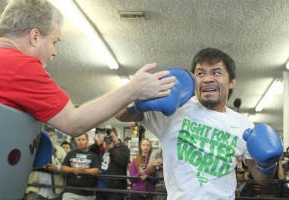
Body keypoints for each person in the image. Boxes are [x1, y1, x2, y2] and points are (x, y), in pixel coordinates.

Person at [0, 0, 175, 138]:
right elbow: (74, 123)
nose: (55, 52)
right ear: (35, 36)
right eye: (54, 42)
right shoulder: (22, 65)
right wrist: (133, 89)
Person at [116, 48, 281, 199]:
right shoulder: (176, 109)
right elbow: (119, 115)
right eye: (200, 74)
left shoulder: (244, 125)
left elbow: (261, 178)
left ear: (232, 82)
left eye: (216, 72)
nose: (208, 79)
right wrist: (139, 103)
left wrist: (267, 164)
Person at [24, 127, 66, 200]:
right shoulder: (35, 149)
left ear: (55, 137)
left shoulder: (61, 151)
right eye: (48, 135)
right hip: (36, 189)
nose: (50, 137)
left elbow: (66, 166)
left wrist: (57, 168)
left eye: (52, 135)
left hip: (55, 192)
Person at [91, 128, 130, 200]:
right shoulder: (102, 148)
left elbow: (122, 162)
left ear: (117, 136)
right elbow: (90, 152)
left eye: (111, 137)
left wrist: (111, 149)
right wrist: (96, 144)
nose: (110, 140)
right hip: (100, 187)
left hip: (116, 189)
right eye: (107, 138)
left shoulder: (123, 148)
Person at [61, 133, 100, 200]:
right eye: (79, 140)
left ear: (87, 141)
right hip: (70, 192)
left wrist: (84, 171)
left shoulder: (93, 156)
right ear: (76, 141)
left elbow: (96, 170)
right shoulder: (70, 153)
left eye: (83, 139)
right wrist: (73, 170)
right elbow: (63, 168)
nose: (81, 141)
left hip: (88, 194)